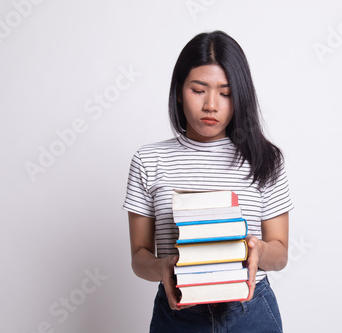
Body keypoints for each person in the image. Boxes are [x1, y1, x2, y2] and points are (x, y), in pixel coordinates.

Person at [123, 30, 293, 333]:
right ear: (178, 91)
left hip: (249, 312)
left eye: (225, 93)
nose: (211, 105)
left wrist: (256, 250)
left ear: (240, 96)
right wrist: (162, 267)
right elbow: (139, 257)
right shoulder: (149, 160)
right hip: (179, 312)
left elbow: (280, 254)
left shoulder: (265, 158)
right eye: (198, 90)